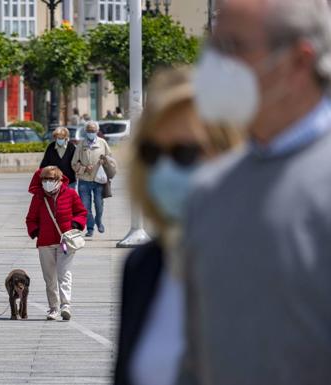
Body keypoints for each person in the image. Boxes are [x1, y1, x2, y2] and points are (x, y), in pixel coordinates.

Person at [179, 1, 331, 384]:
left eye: (233, 48)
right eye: (212, 50)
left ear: (298, 61)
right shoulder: (210, 191)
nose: (215, 68)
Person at [113, 68, 241, 385]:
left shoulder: (277, 262)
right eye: (152, 153)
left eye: (185, 153)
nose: (165, 169)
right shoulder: (144, 266)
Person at [26, 166, 87, 321]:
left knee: (64, 274)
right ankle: (53, 307)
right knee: (50, 278)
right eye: (45, 179)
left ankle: (65, 305)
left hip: (65, 241)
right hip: (45, 243)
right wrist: (36, 231)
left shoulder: (71, 194)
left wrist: (75, 225)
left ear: (59, 180)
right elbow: (30, 219)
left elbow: (81, 212)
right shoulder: (38, 197)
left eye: (51, 179)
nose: (48, 182)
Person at [72, 121, 112, 237]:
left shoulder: (102, 142)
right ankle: (90, 228)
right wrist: (84, 168)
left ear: (97, 131)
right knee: (85, 207)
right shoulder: (81, 144)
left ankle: (99, 221)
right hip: (84, 181)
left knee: (99, 205)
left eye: (93, 131)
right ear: (86, 131)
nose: (91, 133)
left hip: (99, 180)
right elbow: (74, 163)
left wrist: (104, 161)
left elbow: (110, 158)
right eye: (89, 130)